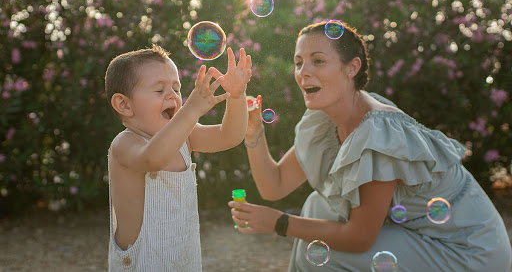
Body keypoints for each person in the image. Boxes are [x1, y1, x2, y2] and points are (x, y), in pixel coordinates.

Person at [228, 21, 512, 271]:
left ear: (352, 67)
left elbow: (360, 238)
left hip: (467, 251)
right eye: (299, 61)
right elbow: (274, 186)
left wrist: (280, 223)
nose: (304, 72)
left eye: (318, 60)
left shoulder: (378, 132)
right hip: (426, 237)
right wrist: (254, 135)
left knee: (313, 247)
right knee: (317, 207)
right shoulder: (327, 119)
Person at [105, 44, 251, 271]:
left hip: (184, 261)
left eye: (176, 88)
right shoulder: (125, 144)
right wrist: (191, 109)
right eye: (159, 90)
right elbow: (152, 159)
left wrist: (236, 95)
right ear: (124, 104)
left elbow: (229, 136)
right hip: (143, 265)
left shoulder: (186, 137)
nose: (172, 95)